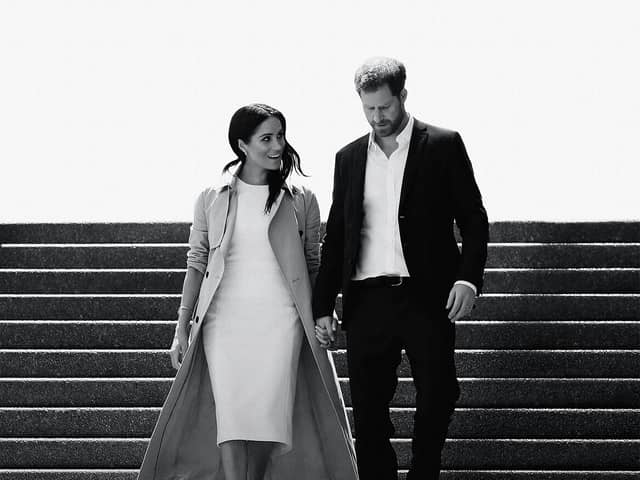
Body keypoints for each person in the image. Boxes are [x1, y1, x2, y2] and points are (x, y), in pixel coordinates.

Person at [137, 104, 358, 480]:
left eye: (281, 136)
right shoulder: (212, 197)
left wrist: (324, 309)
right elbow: (197, 261)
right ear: (242, 144)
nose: (277, 146)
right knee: (232, 417)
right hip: (224, 322)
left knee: (271, 419)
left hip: (282, 321)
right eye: (266, 139)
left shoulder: (301, 198)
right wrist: (181, 326)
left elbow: (314, 263)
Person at [313, 58, 489, 480]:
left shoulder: (443, 144)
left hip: (426, 296)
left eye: (385, 107)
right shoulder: (349, 157)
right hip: (367, 300)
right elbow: (337, 236)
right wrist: (323, 303)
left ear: (403, 97)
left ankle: (424, 471)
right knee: (370, 410)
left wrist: (468, 278)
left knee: (440, 394)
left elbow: (473, 218)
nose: (378, 118)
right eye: (369, 109)